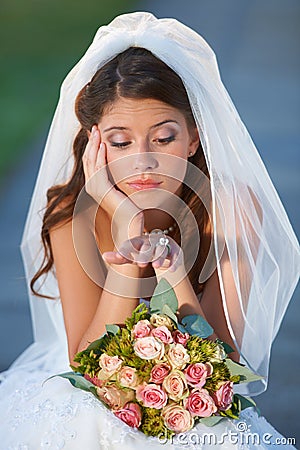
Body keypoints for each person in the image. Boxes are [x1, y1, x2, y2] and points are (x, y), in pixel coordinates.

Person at [0, 12, 299, 449]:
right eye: (121, 142)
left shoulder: (231, 209)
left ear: (194, 138)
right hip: (94, 388)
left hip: (196, 395)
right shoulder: (72, 214)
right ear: (95, 139)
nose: (143, 161)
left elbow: (222, 363)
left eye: (163, 138)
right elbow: (88, 367)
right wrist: (128, 225)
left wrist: (177, 279)